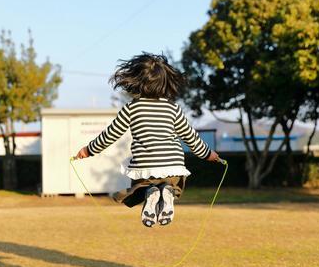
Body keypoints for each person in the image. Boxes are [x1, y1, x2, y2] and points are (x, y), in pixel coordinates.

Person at [75, 52, 219, 227]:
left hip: (145, 166)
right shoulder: (173, 109)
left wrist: (88, 150)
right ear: (165, 82)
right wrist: (208, 154)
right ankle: (168, 192)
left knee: (142, 186)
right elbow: (191, 138)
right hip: (172, 165)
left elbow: (110, 135)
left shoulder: (132, 108)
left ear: (137, 81)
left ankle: (150, 193)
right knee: (174, 183)